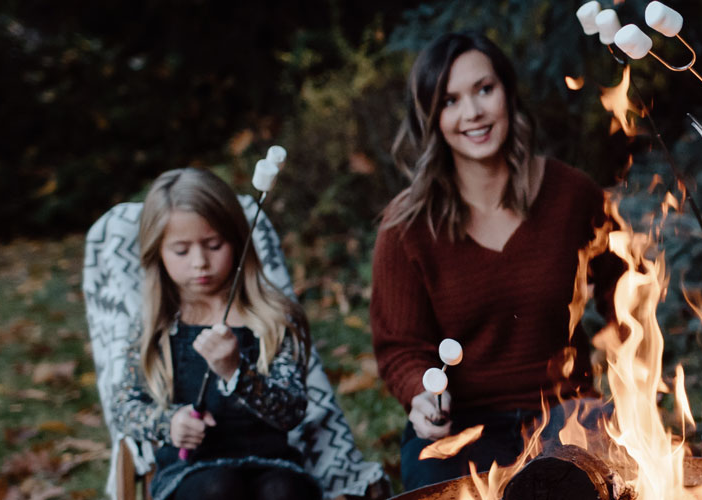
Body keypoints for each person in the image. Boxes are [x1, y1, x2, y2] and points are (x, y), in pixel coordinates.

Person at [370, 31, 621, 489]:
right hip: (463, 425)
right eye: (449, 100)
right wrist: (421, 394)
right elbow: (400, 347)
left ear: (507, 91)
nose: (473, 113)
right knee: (434, 487)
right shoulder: (406, 226)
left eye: (484, 90)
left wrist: (628, 374)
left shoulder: (570, 194)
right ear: (431, 116)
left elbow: (625, 292)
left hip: (565, 413)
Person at [108, 167, 322, 500]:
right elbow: (125, 407)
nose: (200, 263)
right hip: (190, 472)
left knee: (283, 492)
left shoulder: (273, 319)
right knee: (218, 488)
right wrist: (170, 423)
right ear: (158, 253)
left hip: (272, 466)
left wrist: (238, 372)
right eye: (181, 251)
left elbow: (291, 411)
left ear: (237, 240)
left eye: (213, 245)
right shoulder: (158, 325)